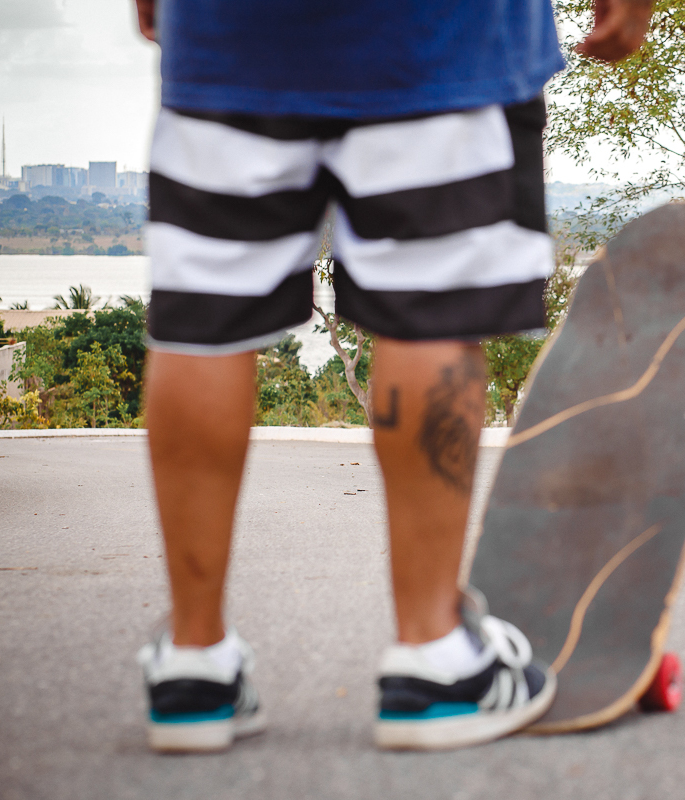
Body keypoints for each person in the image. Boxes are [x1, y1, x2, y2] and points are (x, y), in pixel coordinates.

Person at [131, 0, 654, 753]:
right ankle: (434, 658)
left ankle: (193, 666)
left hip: (230, 37)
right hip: (443, 39)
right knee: (432, 308)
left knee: (208, 314)